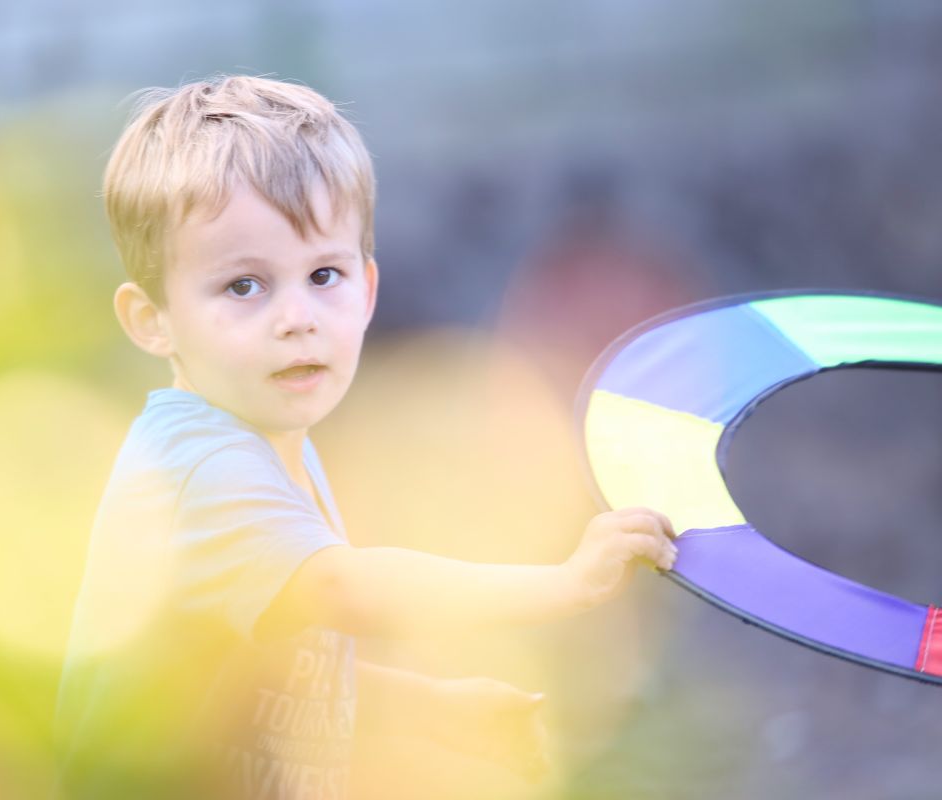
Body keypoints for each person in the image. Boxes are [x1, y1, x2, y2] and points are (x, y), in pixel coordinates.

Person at [52, 74, 678, 800]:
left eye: (323, 275)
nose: (297, 317)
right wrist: (563, 583)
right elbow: (345, 590)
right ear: (151, 318)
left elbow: (275, 665)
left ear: (368, 288)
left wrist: (423, 707)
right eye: (244, 286)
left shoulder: (271, 441)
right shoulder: (204, 468)